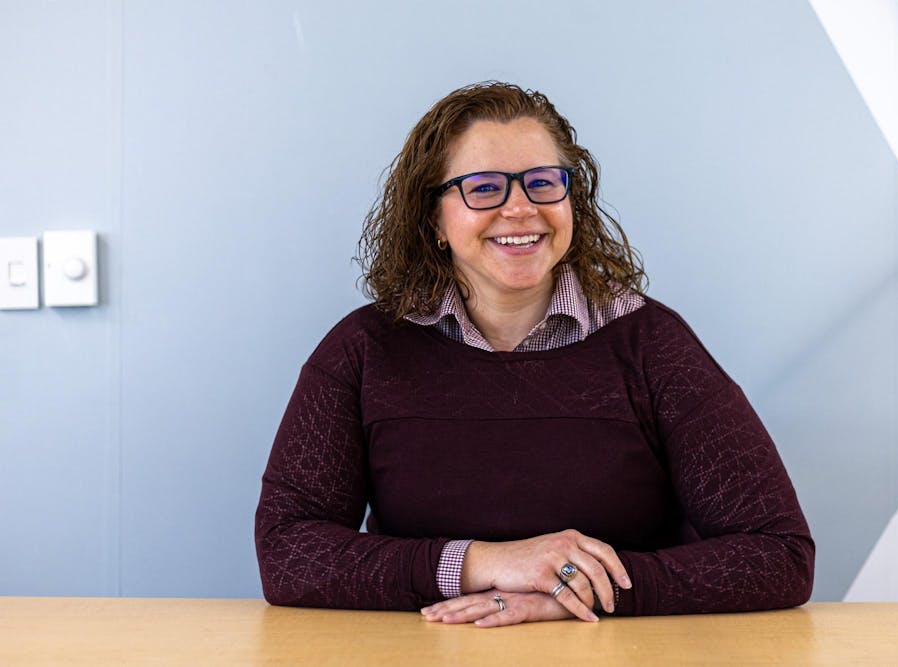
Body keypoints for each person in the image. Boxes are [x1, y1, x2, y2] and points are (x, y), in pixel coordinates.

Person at [254, 81, 814, 628]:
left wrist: (578, 593)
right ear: (434, 219)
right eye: (484, 187)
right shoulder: (365, 350)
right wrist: (488, 563)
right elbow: (288, 552)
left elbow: (778, 553)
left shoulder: (653, 345)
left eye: (543, 183)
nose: (520, 209)